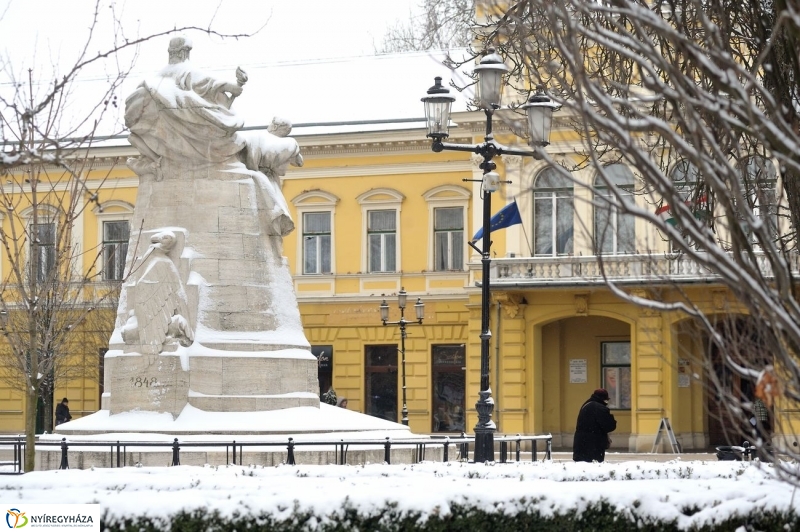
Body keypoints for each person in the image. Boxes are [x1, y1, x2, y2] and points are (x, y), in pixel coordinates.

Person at [573, 388, 617, 463]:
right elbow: (609, 426)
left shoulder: (587, 404)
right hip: (594, 445)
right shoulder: (600, 408)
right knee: (594, 467)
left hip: (581, 443)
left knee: (582, 468)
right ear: (604, 399)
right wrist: (612, 419)